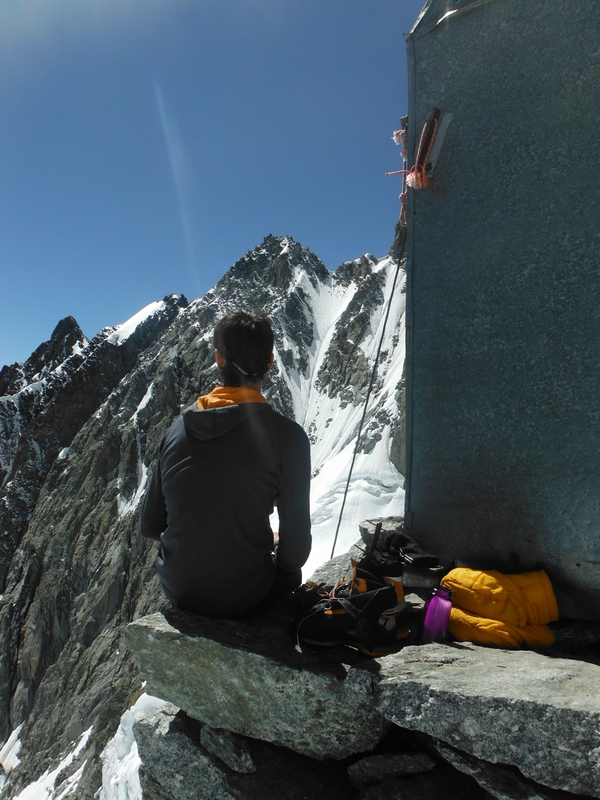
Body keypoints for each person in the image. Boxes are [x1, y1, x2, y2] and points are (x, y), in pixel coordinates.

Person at [140, 310, 311, 617]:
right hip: (247, 595)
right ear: (270, 362)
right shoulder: (289, 438)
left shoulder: (175, 430)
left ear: (218, 359)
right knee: (291, 576)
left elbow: (151, 524)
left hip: (179, 588)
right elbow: (295, 552)